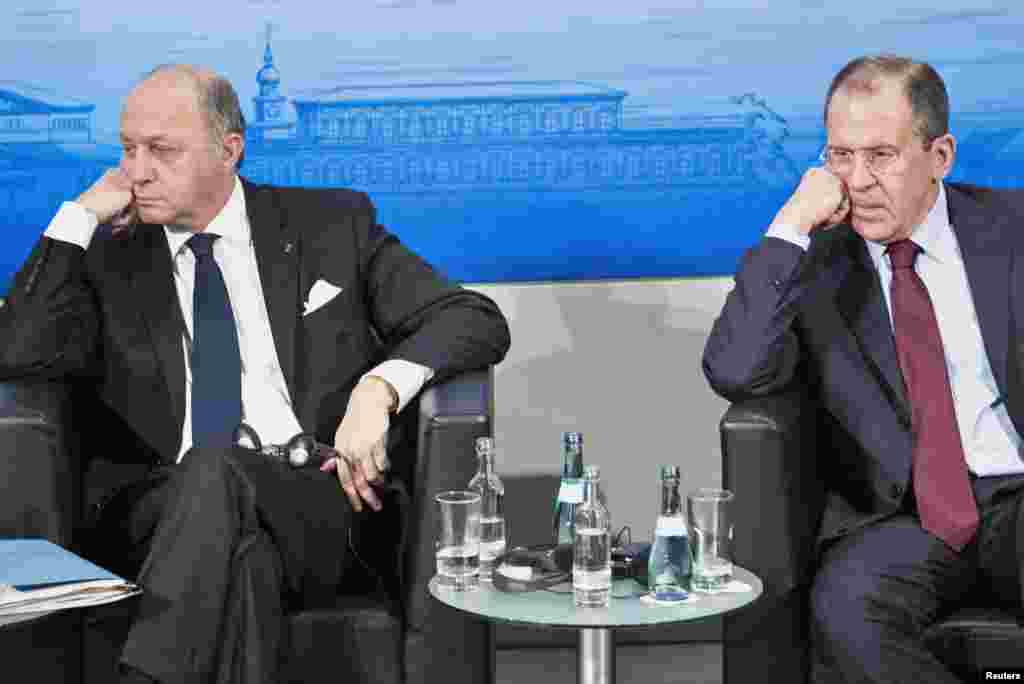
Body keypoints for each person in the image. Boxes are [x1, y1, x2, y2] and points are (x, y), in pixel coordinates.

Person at [0, 64, 510, 684]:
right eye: (128, 149)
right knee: (240, 551)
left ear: (229, 150)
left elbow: (471, 316)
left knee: (231, 513)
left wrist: (376, 390)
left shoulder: (330, 226)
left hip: (315, 504)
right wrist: (78, 215)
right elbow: (18, 350)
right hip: (157, 514)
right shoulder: (109, 254)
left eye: (162, 150)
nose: (137, 170)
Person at [703, 54, 1024, 683]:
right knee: (847, 615)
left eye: (881, 156)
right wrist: (791, 225)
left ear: (940, 156)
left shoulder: (1011, 230)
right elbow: (735, 370)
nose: (858, 180)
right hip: (901, 519)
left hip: (1018, 495)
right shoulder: (811, 263)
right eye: (839, 157)